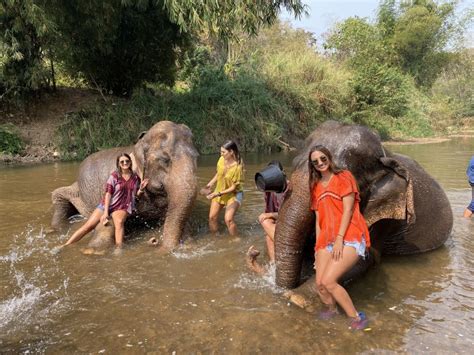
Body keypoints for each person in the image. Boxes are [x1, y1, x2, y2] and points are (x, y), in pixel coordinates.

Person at [309, 145, 370, 330]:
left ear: (329, 158)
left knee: (329, 281)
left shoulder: (344, 177)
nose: (320, 163)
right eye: (315, 161)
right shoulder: (316, 187)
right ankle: (332, 310)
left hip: (348, 235)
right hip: (325, 240)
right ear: (312, 165)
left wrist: (339, 239)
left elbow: (348, 210)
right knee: (319, 284)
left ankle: (357, 318)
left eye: (323, 159)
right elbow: (319, 220)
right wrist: (317, 249)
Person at [61, 153, 149, 252]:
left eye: (127, 161)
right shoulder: (114, 176)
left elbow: (136, 196)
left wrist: (141, 189)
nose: (125, 163)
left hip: (122, 206)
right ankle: (65, 245)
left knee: (119, 223)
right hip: (107, 204)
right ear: (119, 164)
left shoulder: (135, 178)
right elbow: (108, 194)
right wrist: (106, 212)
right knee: (88, 226)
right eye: (122, 161)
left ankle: (118, 250)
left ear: (130, 162)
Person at [247, 161, 290, 274]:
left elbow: (290, 215)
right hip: (278, 223)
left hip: (289, 223)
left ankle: (281, 255)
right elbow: (269, 209)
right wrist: (269, 215)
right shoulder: (269, 189)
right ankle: (274, 265)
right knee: (268, 236)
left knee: (266, 222)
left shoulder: (290, 189)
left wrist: (270, 215)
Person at [205, 140, 244, 236]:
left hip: (234, 194)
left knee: (228, 219)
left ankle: (236, 240)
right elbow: (219, 173)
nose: (221, 154)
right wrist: (209, 185)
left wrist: (216, 193)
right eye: (221, 151)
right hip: (220, 190)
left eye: (223, 152)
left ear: (231, 152)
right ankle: (216, 237)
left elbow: (233, 187)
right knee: (212, 218)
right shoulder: (221, 159)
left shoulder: (238, 167)